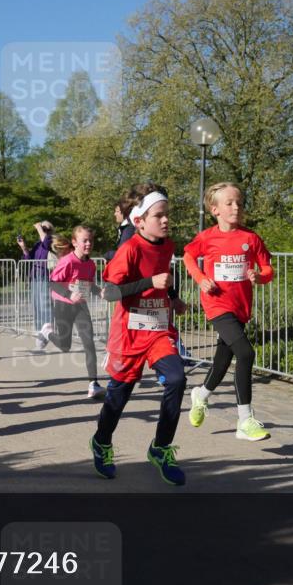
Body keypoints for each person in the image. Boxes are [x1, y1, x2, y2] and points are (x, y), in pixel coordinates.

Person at [89, 186, 189, 486]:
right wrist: (148, 282)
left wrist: (173, 295)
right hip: (129, 334)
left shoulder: (167, 246)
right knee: (118, 397)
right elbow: (109, 293)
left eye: (167, 215)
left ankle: (160, 449)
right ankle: (102, 442)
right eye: (159, 215)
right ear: (139, 221)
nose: (166, 220)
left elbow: (164, 277)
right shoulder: (129, 249)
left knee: (177, 379)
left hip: (158, 331)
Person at [182, 182, 274, 441]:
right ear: (215, 210)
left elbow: (268, 269)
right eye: (230, 203)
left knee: (223, 358)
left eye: (239, 203)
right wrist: (200, 278)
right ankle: (245, 420)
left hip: (241, 307)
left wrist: (260, 276)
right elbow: (188, 255)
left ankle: (200, 395)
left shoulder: (251, 238)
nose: (236, 207)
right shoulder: (208, 237)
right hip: (216, 304)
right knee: (245, 353)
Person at [39, 226, 105, 400]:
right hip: (63, 306)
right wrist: (69, 294)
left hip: (81, 307)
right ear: (75, 242)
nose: (89, 243)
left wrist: (100, 292)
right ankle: (47, 332)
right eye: (85, 240)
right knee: (65, 346)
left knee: (89, 343)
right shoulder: (68, 261)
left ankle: (93, 384)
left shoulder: (91, 264)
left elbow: (89, 285)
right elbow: (53, 283)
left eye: (91, 240)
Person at [17, 220, 54, 350]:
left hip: (45, 275)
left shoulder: (51, 241)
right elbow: (28, 259)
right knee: (37, 304)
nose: (44, 230)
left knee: (45, 304)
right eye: (43, 228)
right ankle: (40, 332)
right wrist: (23, 247)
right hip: (35, 276)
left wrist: (39, 227)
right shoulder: (38, 244)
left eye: (47, 228)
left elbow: (46, 241)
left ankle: (48, 332)